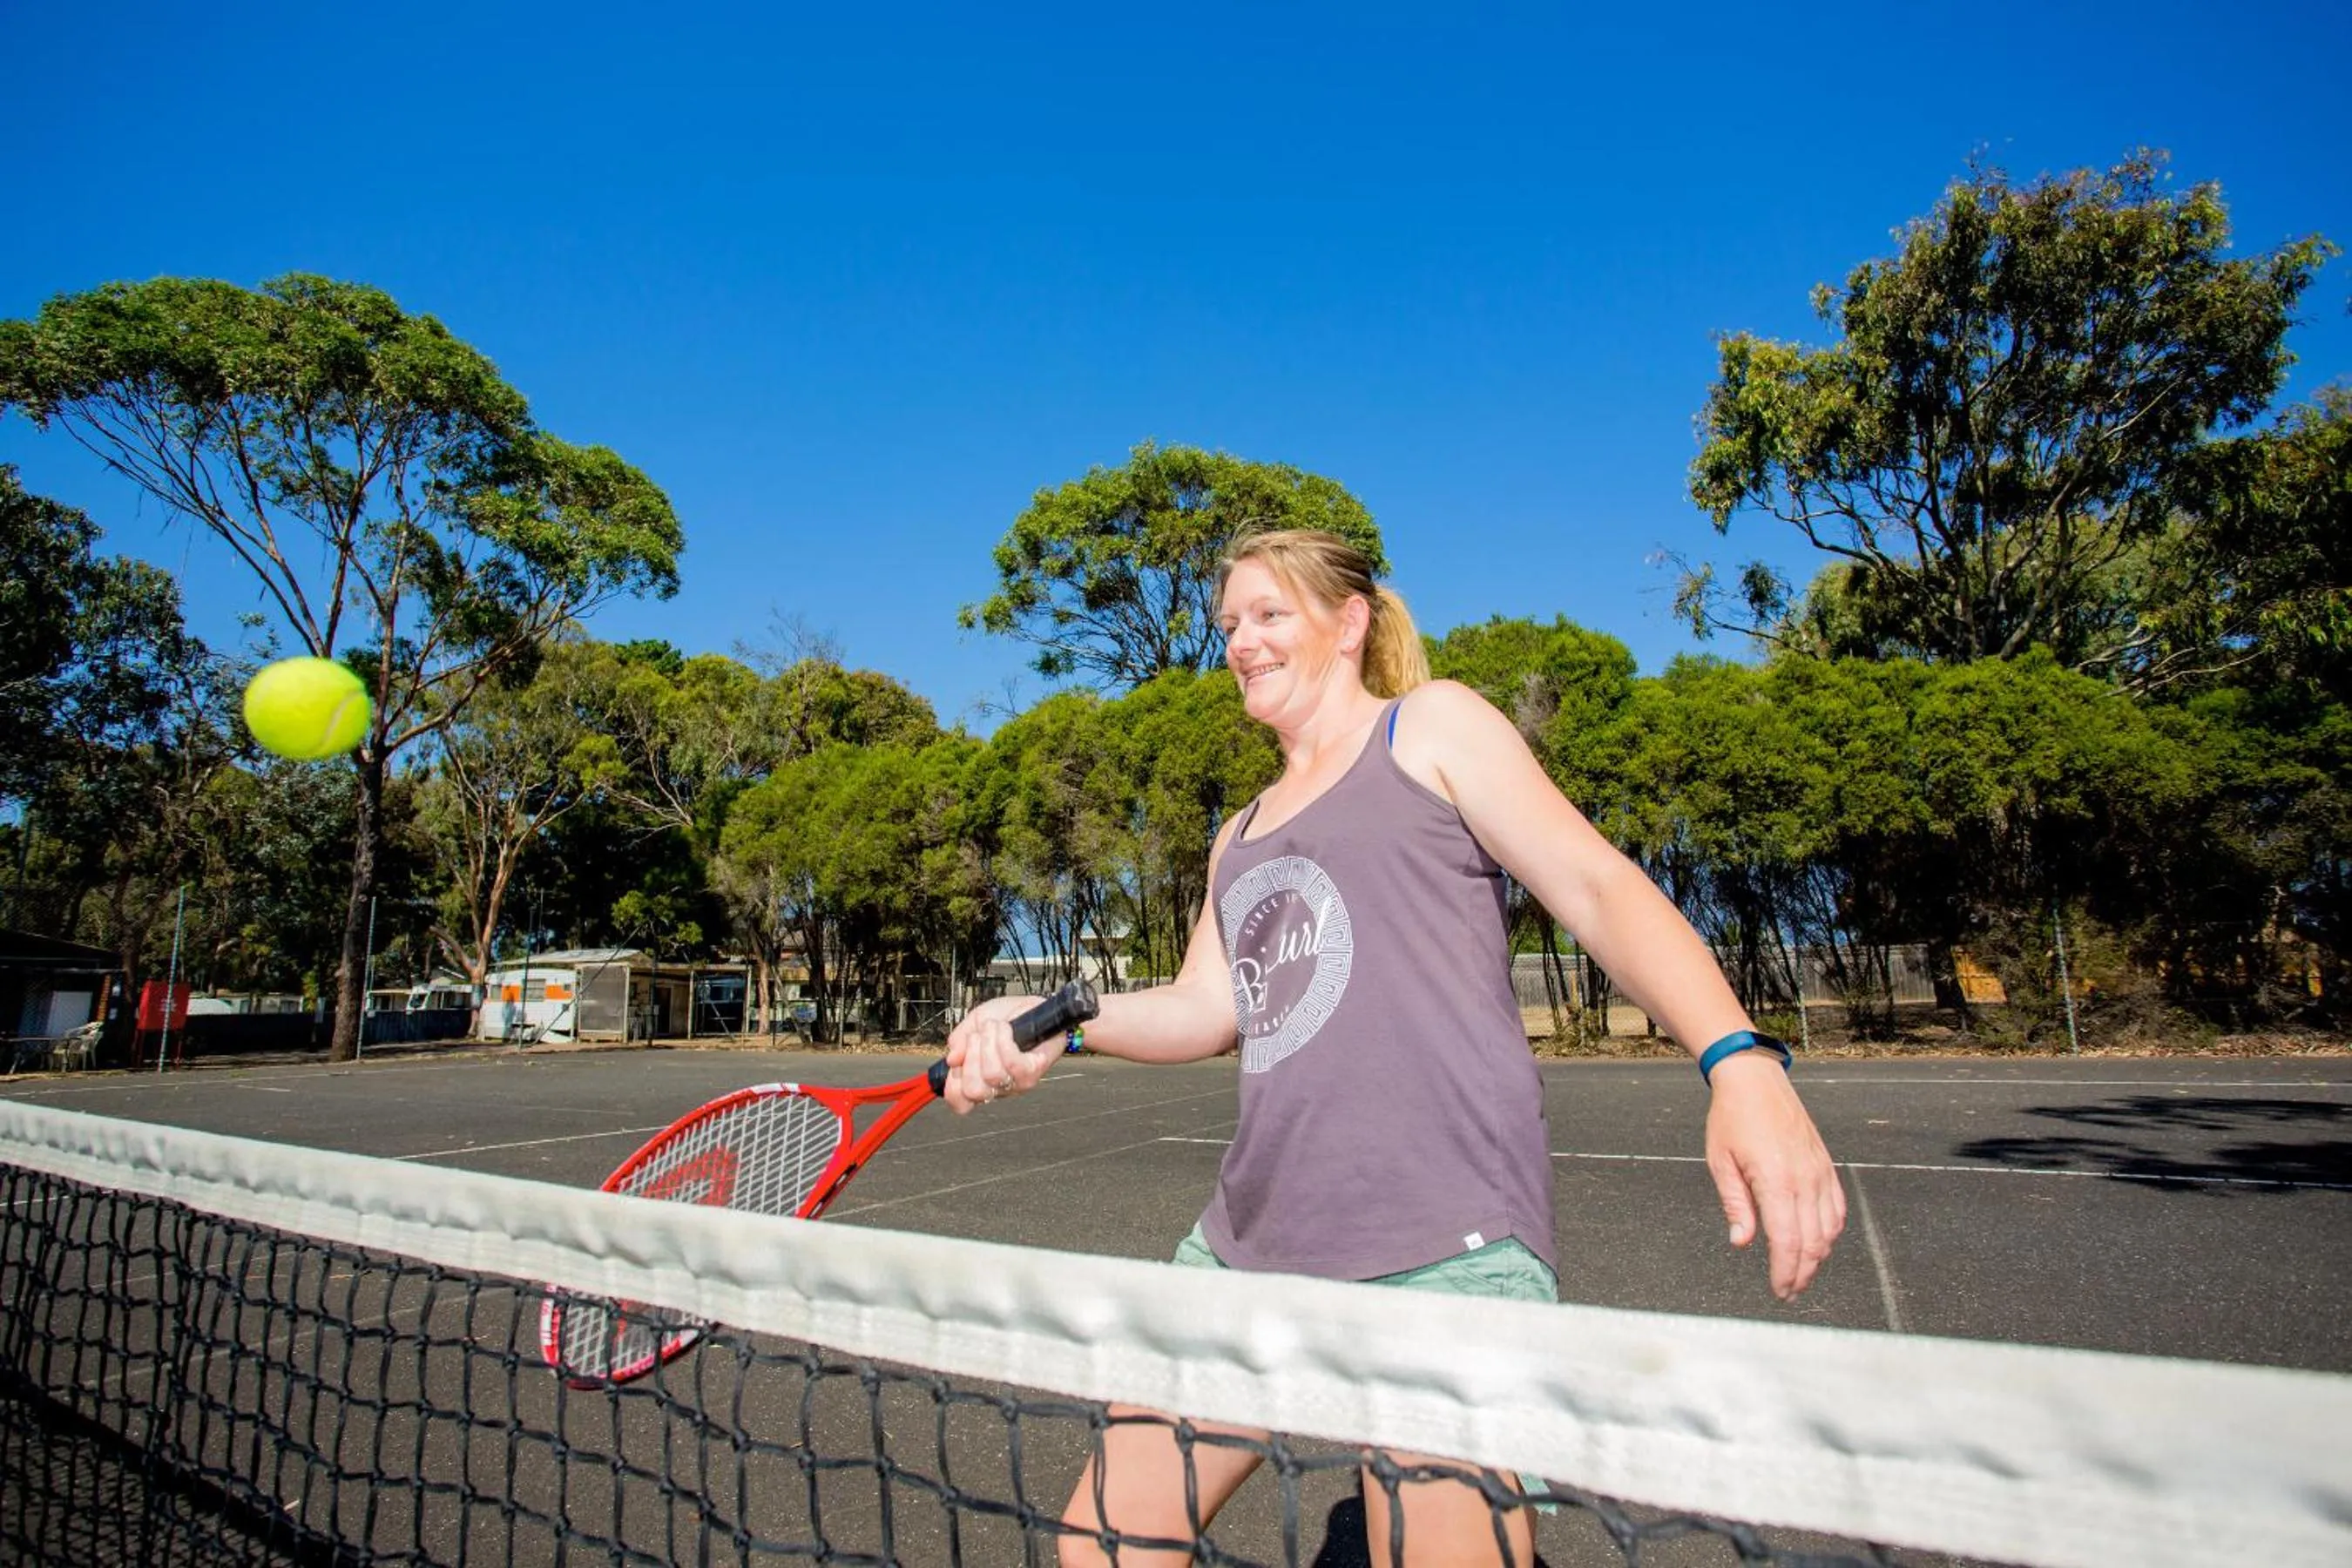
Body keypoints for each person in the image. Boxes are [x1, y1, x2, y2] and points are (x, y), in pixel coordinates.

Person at [943, 529, 1846, 1567]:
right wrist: (1064, 1020)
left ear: (1350, 623)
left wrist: (1737, 1059)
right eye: (1229, 624)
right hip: (1256, 1247)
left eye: (1270, 614)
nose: (1242, 640)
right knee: (1104, 1545)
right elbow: (1206, 1006)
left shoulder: (1433, 727)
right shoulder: (1235, 835)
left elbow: (1595, 887)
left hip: (1447, 1249)